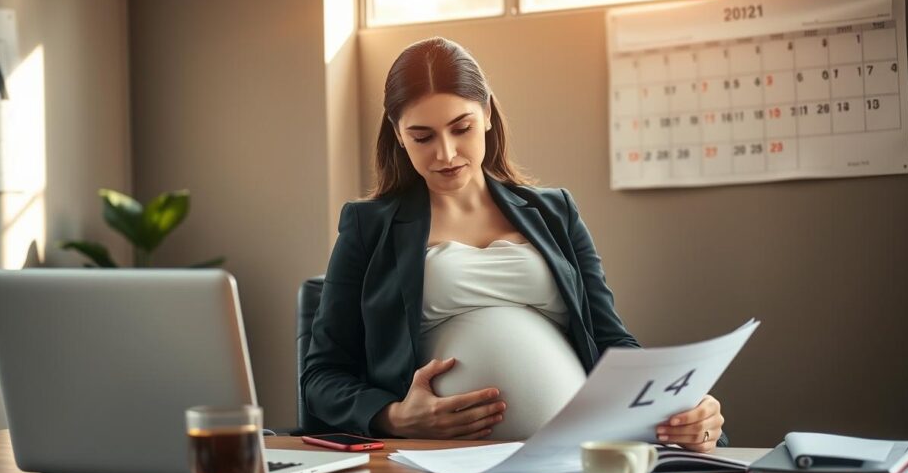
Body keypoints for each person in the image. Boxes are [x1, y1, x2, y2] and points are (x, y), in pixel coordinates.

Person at [301, 37, 726, 451]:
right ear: (397, 133)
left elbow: (612, 342)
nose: (446, 154)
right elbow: (321, 376)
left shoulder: (555, 211)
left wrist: (681, 407)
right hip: (442, 465)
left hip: (583, 457)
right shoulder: (368, 226)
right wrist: (394, 416)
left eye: (461, 128)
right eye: (422, 136)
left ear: (486, 113)